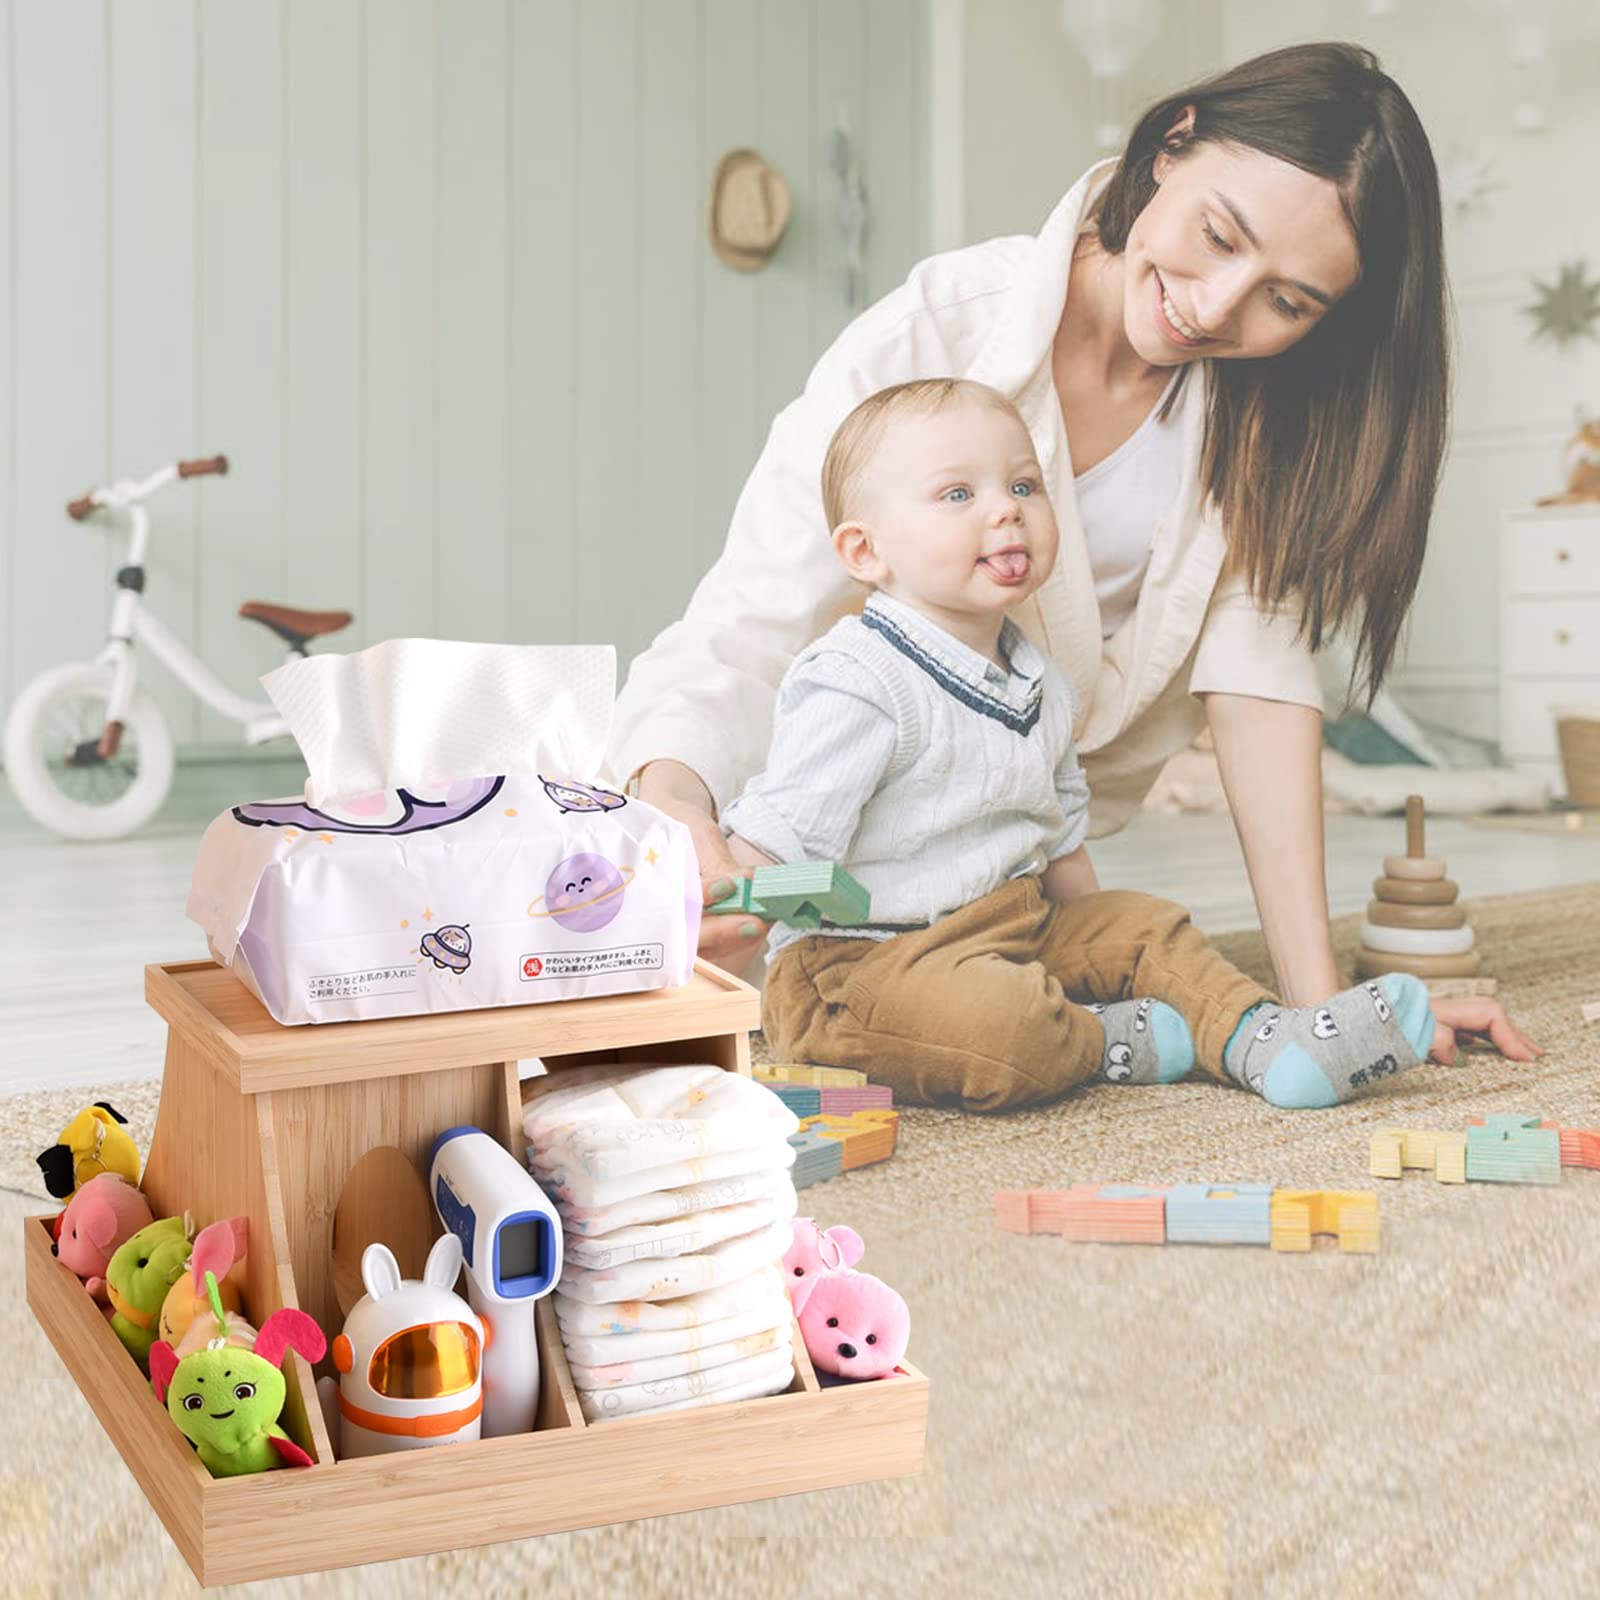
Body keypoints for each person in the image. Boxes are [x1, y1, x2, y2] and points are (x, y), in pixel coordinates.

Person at [607, 42, 1533, 1061]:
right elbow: (748, 625)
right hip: (867, 881)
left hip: (1020, 870)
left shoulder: (1266, 422)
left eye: (1286, 301)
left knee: (1143, 938)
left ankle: (1227, 1035)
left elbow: (1257, 685)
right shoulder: (929, 336)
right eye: (1218, 234)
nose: (1216, 306)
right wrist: (673, 806)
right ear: (1173, 141)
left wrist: (1318, 1007)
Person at [717, 377, 1481, 1112]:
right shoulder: (858, 677)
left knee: (1149, 926)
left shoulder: (1040, 679)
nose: (1006, 513)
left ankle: (1269, 1043)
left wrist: (1103, 951)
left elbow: (1058, 842)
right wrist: (698, 958)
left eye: (1024, 487)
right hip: (861, 970)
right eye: (958, 495)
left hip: (1009, 927)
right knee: (1001, 1024)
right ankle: (1093, 1041)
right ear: (864, 552)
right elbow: (777, 841)